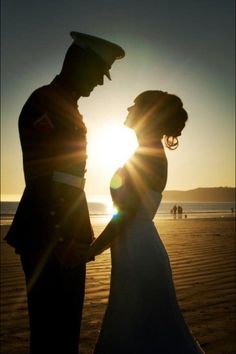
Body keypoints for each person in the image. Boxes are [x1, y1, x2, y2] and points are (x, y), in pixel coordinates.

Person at [4, 31, 125, 354]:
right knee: (50, 333)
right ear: (79, 62)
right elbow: (42, 178)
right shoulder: (43, 103)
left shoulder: (65, 106)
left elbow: (68, 182)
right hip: (49, 237)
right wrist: (61, 238)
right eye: (99, 73)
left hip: (64, 234)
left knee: (66, 331)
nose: (100, 83)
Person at [87, 91, 204, 353]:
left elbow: (125, 216)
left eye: (136, 104)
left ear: (149, 114)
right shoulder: (146, 152)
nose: (129, 107)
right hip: (135, 249)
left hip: (138, 253)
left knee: (137, 327)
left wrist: (92, 250)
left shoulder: (147, 156)